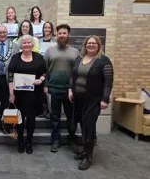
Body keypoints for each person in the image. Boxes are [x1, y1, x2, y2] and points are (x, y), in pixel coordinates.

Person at [68, 35, 113, 170]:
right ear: (85, 45)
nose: (91, 45)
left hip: (93, 100)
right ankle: (85, 150)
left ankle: (88, 157)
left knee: (88, 126)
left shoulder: (103, 61)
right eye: (89, 43)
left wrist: (105, 99)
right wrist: (70, 90)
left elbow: (108, 82)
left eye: (94, 43)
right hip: (78, 99)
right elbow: (72, 76)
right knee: (83, 125)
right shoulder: (79, 59)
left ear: (98, 45)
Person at [44, 24, 80, 153]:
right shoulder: (50, 51)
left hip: (69, 91)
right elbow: (44, 70)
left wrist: (72, 88)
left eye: (64, 33)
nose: (62, 35)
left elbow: (77, 73)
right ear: (56, 35)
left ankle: (72, 139)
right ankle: (56, 140)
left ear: (68, 35)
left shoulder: (75, 52)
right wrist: (45, 85)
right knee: (55, 117)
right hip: (53, 89)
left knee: (71, 117)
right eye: (60, 33)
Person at [8, 35, 46, 154]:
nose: (27, 45)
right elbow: (10, 77)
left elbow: (44, 73)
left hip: (34, 95)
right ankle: (20, 141)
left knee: (31, 119)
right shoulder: (15, 58)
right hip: (19, 95)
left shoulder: (39, 58)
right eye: (24, 43)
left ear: (32, 44)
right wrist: (11, 93)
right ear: (21, 45)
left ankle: (29, 142)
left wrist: (41, 80)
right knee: (19, 119)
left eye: (29, 43)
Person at [39, 21, 57, 118]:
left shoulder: (55, 42)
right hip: (41, 67)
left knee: (49, 91)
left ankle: (51, 111)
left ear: (51, 29)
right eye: (45, 27)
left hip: (52, 68)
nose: (47, 29)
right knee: (42, 91)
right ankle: (44, 109)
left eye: (49, 27)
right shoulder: (39, 41)